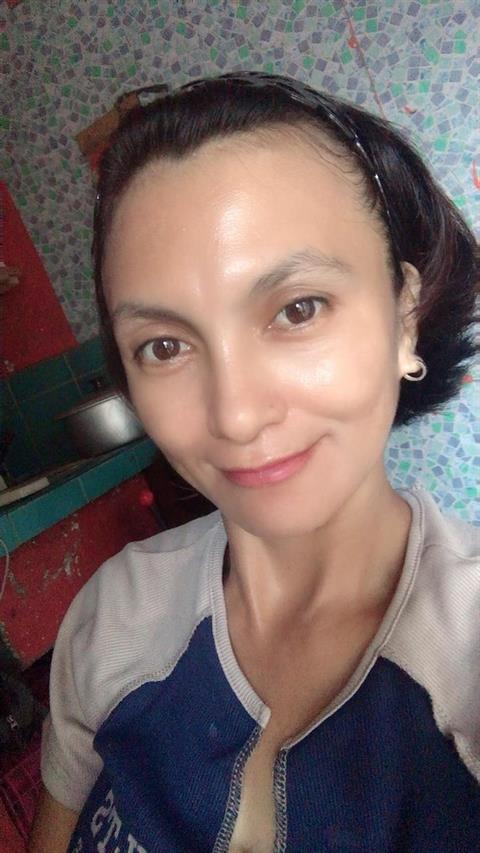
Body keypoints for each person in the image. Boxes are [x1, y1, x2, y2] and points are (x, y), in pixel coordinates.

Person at [30, 73, 479, 853]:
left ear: (405, 312)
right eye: (164, 346)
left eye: (297, 309)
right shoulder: (116, 617)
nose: (235, 415)